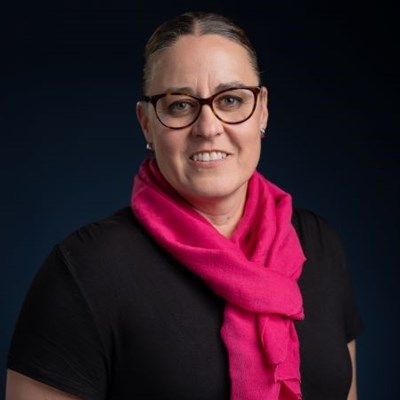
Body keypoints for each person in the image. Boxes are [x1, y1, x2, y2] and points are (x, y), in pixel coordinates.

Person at [6, 11, 363, 400]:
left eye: (230, 100)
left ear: (262, 109)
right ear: (146, 123)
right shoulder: (85, 270)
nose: (208, 127)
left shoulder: (319, 246)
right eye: (179, 105)